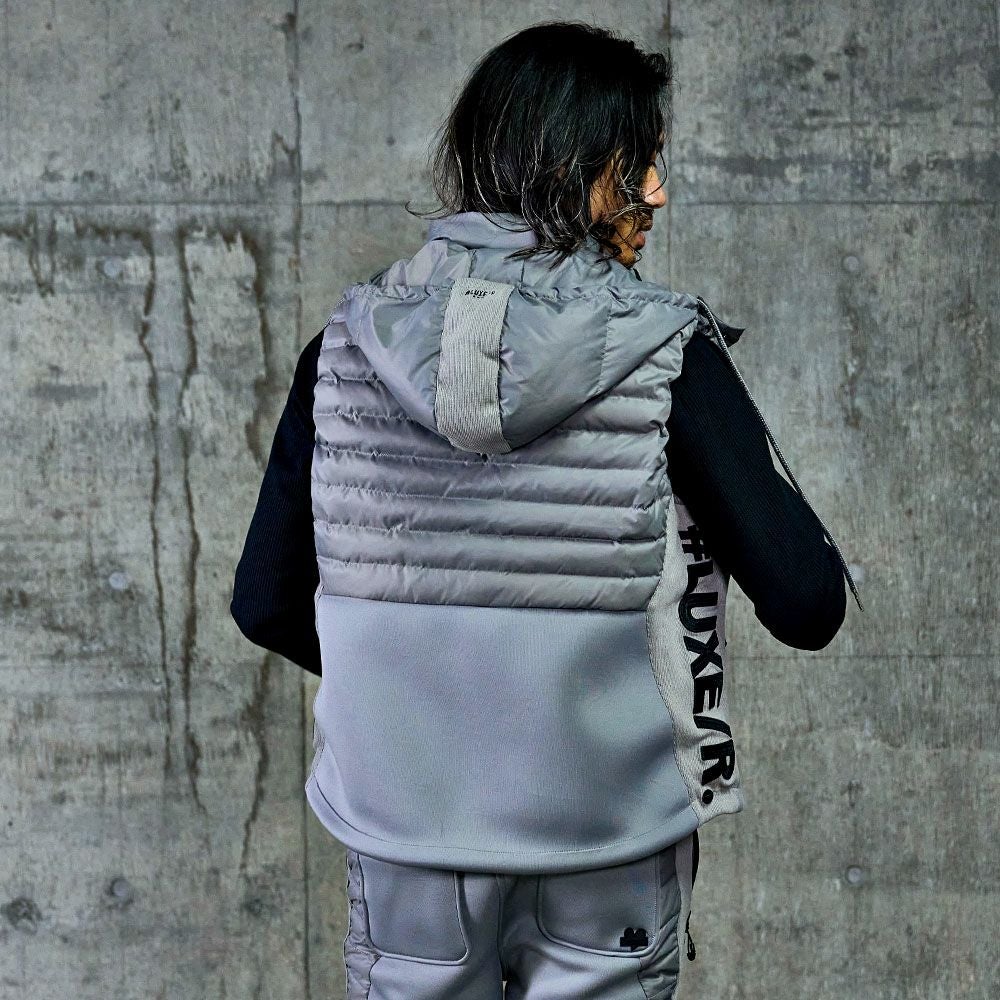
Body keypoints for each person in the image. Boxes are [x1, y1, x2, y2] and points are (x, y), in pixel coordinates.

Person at [231, 20, 861, 999]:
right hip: (608, 833)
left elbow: (265, 602)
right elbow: (806, 601)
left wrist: (433, 688)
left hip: (405, 833)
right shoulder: (666, 350)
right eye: (638, 163)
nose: (657, 192)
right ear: (575, 169)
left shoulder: (343, 349)